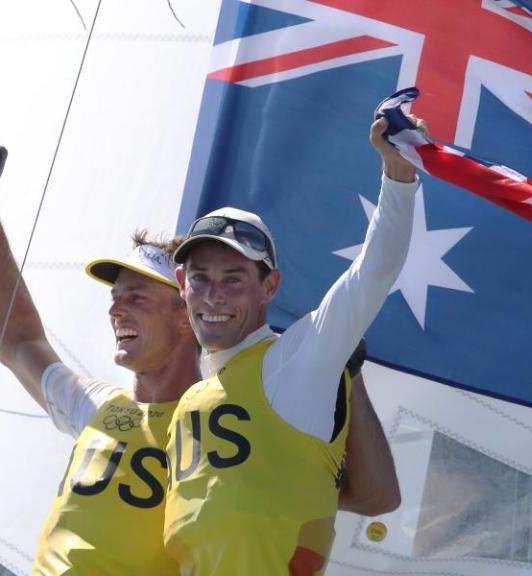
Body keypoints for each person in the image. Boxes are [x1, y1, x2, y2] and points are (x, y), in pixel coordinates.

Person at [0, 133, 400, 575]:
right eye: (115, 296)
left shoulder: (255, 402)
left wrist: (345, 373)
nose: (116, 308)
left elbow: (372, 495)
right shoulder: (98, 406)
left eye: (136, 297)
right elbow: (17, 341)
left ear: (181, 313)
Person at [164, 113, 420, 575]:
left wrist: (398, 174)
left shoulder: (298, 360)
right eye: (200, 279)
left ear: (270, 286)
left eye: (234, 279)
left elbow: (373, 271)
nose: (214, 296)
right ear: (181, 284)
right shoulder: (191, 402)